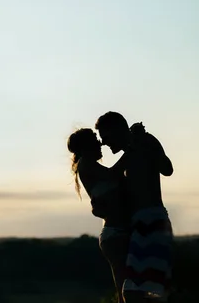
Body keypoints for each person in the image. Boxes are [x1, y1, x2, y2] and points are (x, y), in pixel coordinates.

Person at [95, 112, 174, 302]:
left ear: (117, 130)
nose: (104, 144)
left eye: (106, 137)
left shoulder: (144, 141)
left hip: (152, 221)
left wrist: (142, 144)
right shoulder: (131, 151)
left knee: (135, 292)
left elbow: (167, 169)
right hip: (142, 224)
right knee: (139, 292)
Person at [67, 128, 132, 303]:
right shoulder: (86, 164)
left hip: (117, 232)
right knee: (126, 291)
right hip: (116, 233)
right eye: (96, 139)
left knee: (127, 289)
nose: (100, 143)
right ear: (86, 145)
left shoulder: (89, 166)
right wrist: (132, 149)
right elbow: (113, 173)